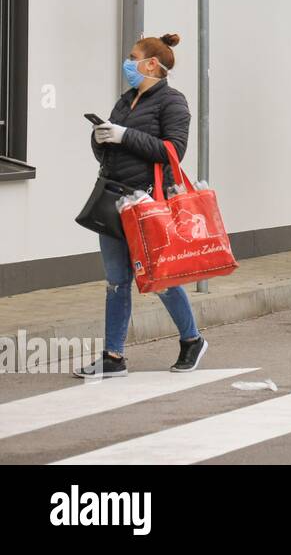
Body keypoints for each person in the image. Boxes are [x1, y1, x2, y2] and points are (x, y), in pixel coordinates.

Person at [78, 33, 208, 378]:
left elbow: (172, 152)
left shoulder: (173, 102)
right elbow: (114, 147)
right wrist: (102, 138)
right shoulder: (126, 100)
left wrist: (124, 135)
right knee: (116, 281)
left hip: (148, 201)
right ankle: (113, 356)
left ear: (151, 64)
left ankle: (192, 339)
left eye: (133, 56)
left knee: (157, 277)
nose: (128, 62)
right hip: (113, 198)